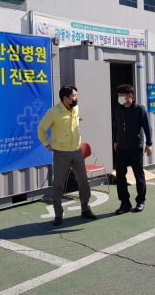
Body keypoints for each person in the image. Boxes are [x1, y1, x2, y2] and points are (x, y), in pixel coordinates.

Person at [37, 85, 97, 226]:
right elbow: (41, 128)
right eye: (73, 96)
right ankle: (58, 215)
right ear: (65, 98)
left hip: (77, 152)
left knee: (83, 182)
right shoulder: (53, 112)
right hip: (61, 154)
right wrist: (47, 145)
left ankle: (85, 208)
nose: (76, 98)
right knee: (59, 184)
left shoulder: (76, 108)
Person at [113, 84, 153, 214]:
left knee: (138, 174)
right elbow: (116, 126)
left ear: (130, 96)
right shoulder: (118, 109)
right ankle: (125, 203)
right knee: (120, 176)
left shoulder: (139, 109)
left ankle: (140, 201)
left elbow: (147, 127)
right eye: (119, 95)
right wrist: (115, 141)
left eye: (122, 95)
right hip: (121, 147)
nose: (120, 97)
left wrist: (149, 144)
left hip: (136, 147)